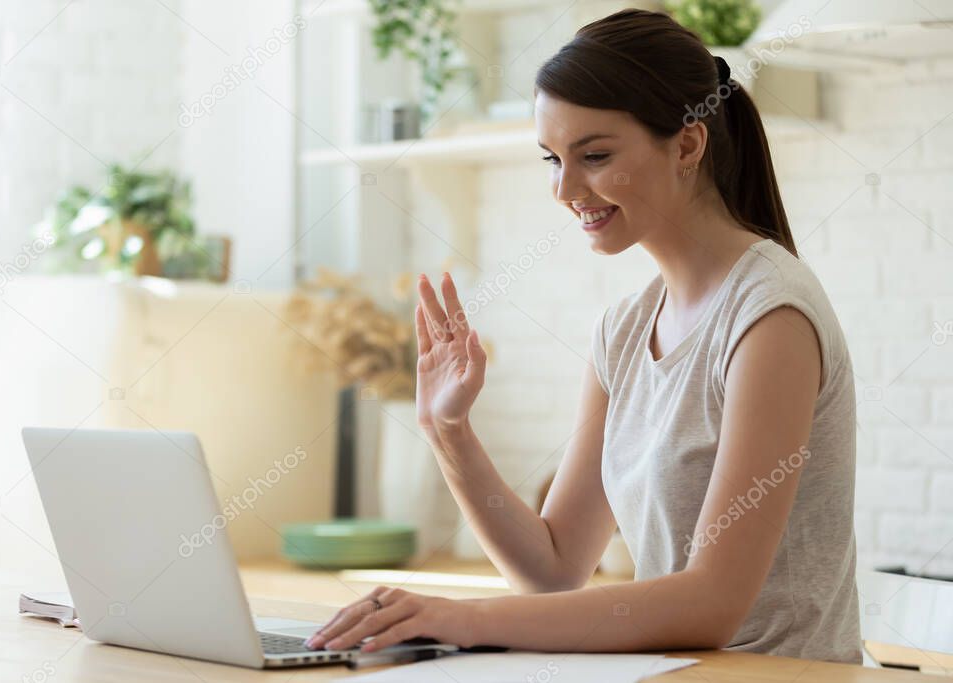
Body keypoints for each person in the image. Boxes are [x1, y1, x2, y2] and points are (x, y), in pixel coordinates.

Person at [304, 8, 861, 664]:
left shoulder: (770, 318)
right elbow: (554, 568)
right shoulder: (623, 331)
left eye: (594, 155)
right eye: (552, 158)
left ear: (686, 145)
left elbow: (713, 603)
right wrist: (448, 430)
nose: (565, 188)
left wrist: (466, 615)